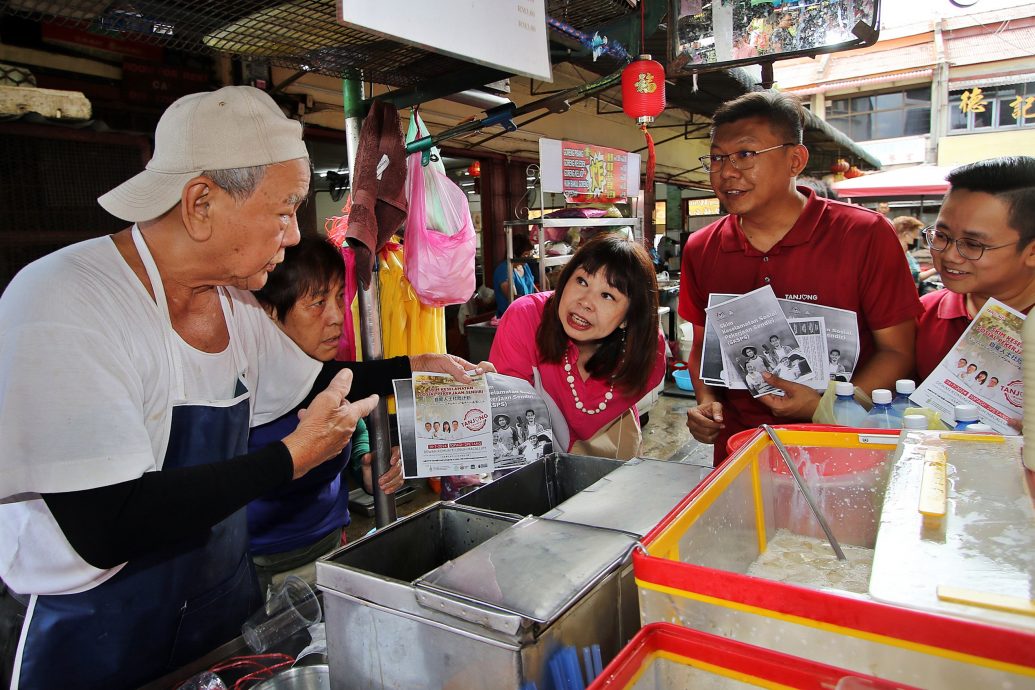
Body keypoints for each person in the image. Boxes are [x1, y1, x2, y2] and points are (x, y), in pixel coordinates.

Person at [0, 85, 489, 689]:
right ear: (201, 203)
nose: (291, 235)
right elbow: (107, 525)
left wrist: (417, 364)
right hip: (96, 635)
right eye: (284, 210)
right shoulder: (63, 300)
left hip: (221, 609)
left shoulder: (232, 306)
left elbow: (317, 384)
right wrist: (289, 459)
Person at [680, 90, 921, 465]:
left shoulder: (863, 234)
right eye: (716, 158)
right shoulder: (701, 247)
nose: (727, 172)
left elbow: (898, 351)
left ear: (795, 160)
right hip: (739, 450)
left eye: (745, 154)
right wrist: (707, 405)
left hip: (842, 448)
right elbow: (701, 347)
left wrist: (829, 406)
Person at [247, 235, 405, 595]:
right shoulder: (243, 386)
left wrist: (364, 459)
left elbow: (352, 419)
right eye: (317, 303)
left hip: (332, 544)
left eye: (338, 297)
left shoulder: (327, 372)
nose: (336, 317)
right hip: (260, 568)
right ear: (271, 311)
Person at [490, 234, 667, 459]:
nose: (585, 302)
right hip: (538, 462)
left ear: (628, 318)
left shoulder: (647, 351)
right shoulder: (525, 319)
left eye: (607, 295)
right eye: (582, 281)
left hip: (614, 460)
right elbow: (512, 418)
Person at [915, 157, 1035, 387]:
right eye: (941, 236)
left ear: (1032, 252)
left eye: (973, 244)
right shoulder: (924, 315)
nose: (950, 255)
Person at [494, 232, 538, 317]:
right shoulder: (503, 270)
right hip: (510, 317)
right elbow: (513, 297)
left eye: (529, 254)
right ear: (515, 254)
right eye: (525, 254)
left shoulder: (525, 266)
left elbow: (533, 288)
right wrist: (533, 303)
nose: (528, 257)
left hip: (527, 313)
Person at [892, 215, 938, 287]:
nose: (915, 240)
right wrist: (937, 268)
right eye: (914, 237)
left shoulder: (906, 253)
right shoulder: (896, 253)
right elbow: (914, 277)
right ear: (906, 234)